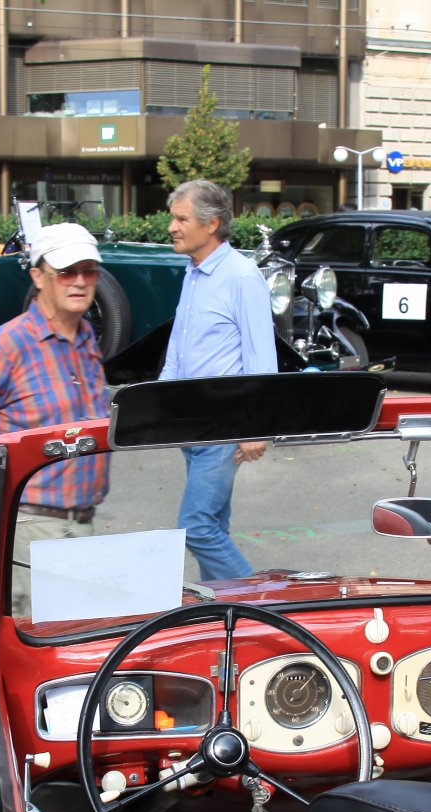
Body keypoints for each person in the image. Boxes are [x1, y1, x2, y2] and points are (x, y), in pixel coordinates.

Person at [0, 222, 111, 616]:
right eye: (66, 272)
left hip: (81, 524)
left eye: (88, 271)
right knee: (35, 640)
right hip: (28, 528)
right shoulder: (9, 344)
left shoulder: (86, 338)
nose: (79, 281)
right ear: (38, 277)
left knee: (75, 640)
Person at [158, 178, 278, 581]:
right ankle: (224, 612)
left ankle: (264, 606)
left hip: (224, 426)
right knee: (213, 527)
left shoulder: (241, 276)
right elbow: (179, 348)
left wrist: (257, 427)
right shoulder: (192, 274)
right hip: (190, 425)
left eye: (181, 219)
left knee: (197, 528)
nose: (172, 227)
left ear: (211, 224)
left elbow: (261, 355)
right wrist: (157, 406)